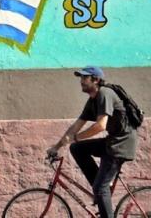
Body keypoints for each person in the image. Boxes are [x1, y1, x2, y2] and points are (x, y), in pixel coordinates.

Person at [47, 66, 137, 218]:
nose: (81, 81)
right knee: (77, 148)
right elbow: (76, 126)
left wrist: (76, 137)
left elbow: (100, 126)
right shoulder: (93, 100)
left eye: (84, 78)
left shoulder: (104, 93)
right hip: (112, 142)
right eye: (80, 78)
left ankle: (101, 189)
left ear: (95, 80)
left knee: (100, 188)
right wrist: (57, 147)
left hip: (121, 144)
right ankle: (101, 188)